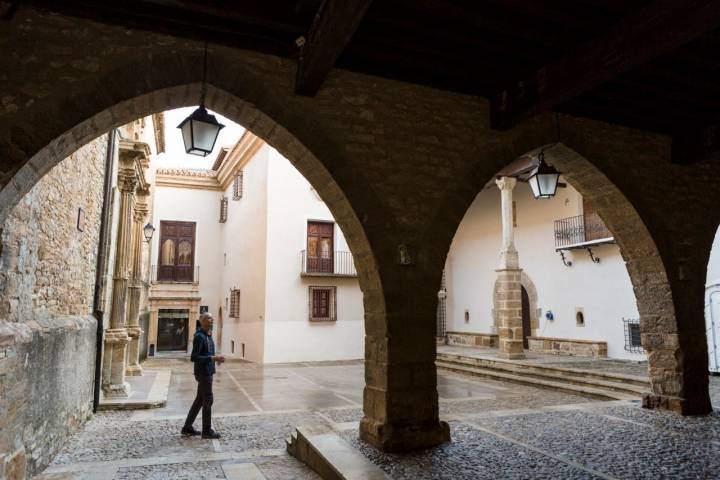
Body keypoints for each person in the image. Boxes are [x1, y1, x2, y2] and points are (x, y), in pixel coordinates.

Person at [181, 312, 225, 438]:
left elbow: (209, 353)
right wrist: (212, 358)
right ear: (203, 321)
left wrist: (217, 359)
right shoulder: (199, 336)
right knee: (208, 400)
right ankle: (207, 431)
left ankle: (187, 427)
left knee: (199, 400)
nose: (212, 320)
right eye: (209, 318)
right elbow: (194, 357)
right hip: (203, 373)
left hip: (208, 372)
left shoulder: (208, 335)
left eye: (212, 318)